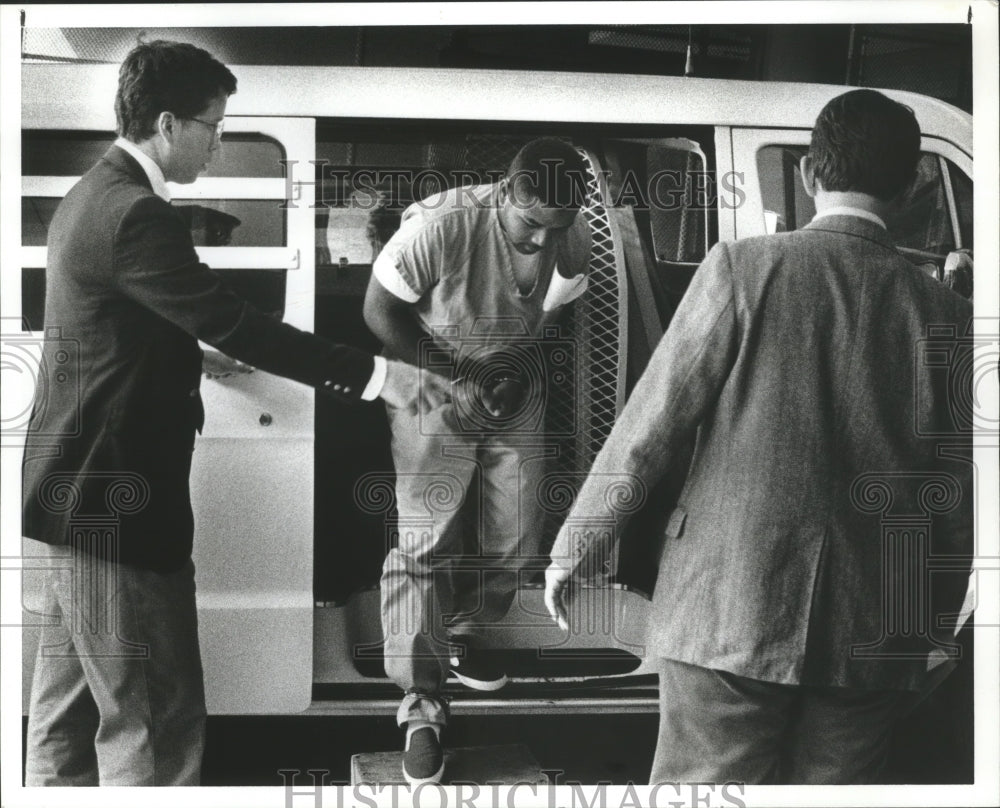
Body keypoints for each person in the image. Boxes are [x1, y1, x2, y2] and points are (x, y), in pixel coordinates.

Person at [20, 40, 448, 787]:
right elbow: (235, 321)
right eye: (213, 127)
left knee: (67, 722)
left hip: (72, 499)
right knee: (155, 721)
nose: (218, 144)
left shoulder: (89, 197)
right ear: (165, 124)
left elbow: (115, 332)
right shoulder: (137, 215)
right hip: (120, 510)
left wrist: (190, 357)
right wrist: (382, 375)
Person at [544, 89, 974, 785]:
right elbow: (955, 497)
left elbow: (650, 426)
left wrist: (576, 544)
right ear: (909, 185)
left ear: (810, 173)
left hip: (729, 605)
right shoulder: (949, 317)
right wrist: (931, 631)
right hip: (874, 629)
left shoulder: (741, 271)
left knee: (702, 793)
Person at [363, 138, 592, 784]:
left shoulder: (568, 238)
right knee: (426, 540)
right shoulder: (440, 227)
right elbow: (377, 310)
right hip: (433, 375)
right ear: (505, 193)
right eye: (531, 226)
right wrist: (454, 376)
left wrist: (516, 367)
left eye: (557, 229)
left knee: (519, 529)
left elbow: (552, 313)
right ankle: (421, 709)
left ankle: (462, 630)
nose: (542, 243)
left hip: (510, 380)